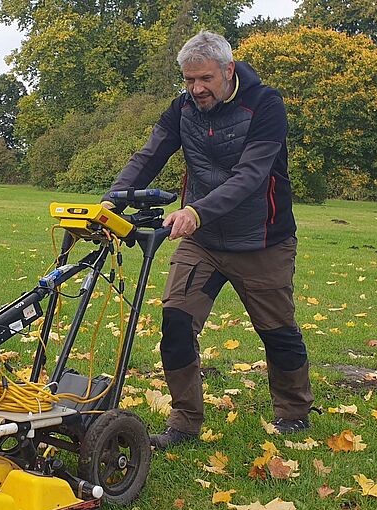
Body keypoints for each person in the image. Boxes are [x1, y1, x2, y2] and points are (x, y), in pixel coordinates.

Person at [103, 31, 314, 450]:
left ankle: (294, 412)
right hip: (202, 241)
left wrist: (196, 210)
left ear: (228, 71)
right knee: (177, 322)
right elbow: (150, 155)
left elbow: (252, 176)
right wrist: (111, 201)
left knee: (277, 330)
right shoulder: (183, 109)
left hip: (262, 240)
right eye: (189, 80)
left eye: (205, 79)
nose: (197, 88)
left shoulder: (266, 105)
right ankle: (184, 422)